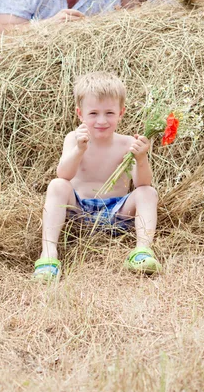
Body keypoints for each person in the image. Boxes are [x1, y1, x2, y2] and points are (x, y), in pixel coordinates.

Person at [33, 71, 161, 282]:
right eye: (93, 114)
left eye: (109, 113)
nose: (102, 121)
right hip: (79, 214)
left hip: (117, 214)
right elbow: (63, 174)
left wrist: (141, 158)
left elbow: (142, 183)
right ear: (80, 114)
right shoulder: (74, 139)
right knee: (57, 185)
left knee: (148, 192)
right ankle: (48, 256)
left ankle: (142, 251)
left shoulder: (127, 143)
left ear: (121, 113)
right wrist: (79, 150)